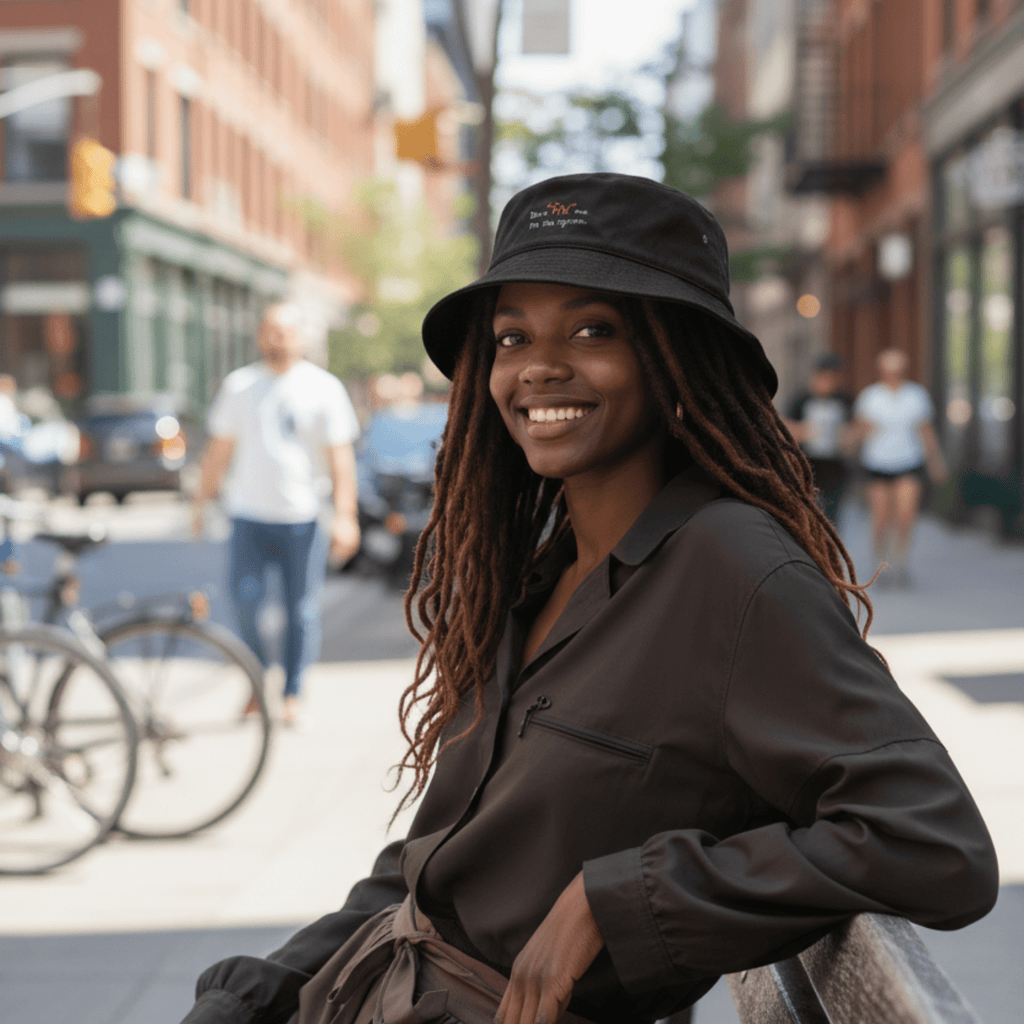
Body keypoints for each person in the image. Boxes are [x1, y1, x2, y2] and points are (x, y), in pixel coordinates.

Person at [180, 175, 996, 1024]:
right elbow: (434, 872)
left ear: (676, 356)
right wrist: (264, 988)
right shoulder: (538, 575)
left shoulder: (731, 567)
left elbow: (931, 843)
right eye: (511, 337)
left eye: (593, 329)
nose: (539, 367)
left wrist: (620, 900)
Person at [191, 302, 361, 724]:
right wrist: (200, 501)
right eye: (269, 331)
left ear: (301, 338)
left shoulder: (324, 388)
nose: (276, 340)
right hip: (248, 515)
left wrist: (346, 516)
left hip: (302, 518)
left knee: (300, 610)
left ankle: (292, 692)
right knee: (244, 604)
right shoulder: (240, 386)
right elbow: (219, 452)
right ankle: (255, 683)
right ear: (259, 336)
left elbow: (341, 460)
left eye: (285, 332)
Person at [854, 348, 948, 587]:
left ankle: (900, 561)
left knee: (906, 514)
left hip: (909, 462)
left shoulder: (916, 396)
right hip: (877, 462)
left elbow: (926, 431)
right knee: (881, 517)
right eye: (888, 370)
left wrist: (936, 461)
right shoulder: (871, 396)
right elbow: (859, 432)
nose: (893, 375)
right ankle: (881, 563)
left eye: (897, 370)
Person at [783, 352, 853, 525]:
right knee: (807, 512)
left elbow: (854, 427)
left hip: (835, 465)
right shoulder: (801, 398)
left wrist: (849, 437)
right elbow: (783, 425)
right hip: (807, 464)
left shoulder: (844, 399)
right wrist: (801, 431)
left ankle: (827, 548)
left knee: (831, 514)